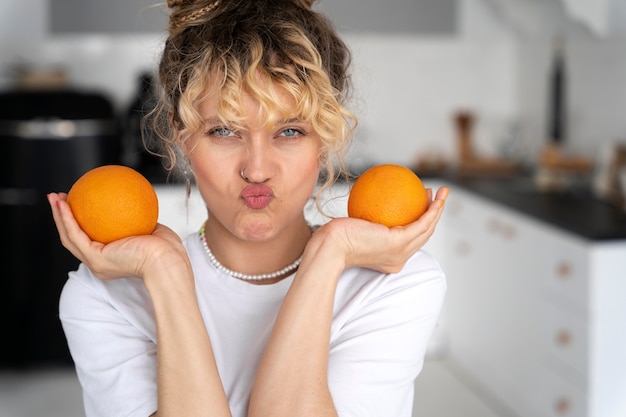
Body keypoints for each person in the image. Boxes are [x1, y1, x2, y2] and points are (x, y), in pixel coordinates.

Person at [47, 0, 449, 416]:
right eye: (224, 131)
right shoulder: (106, 297)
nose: (257, 170)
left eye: (290, 131)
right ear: (183, 137)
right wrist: (165, 274)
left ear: (325, 139)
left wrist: (329, 254)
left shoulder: (396, 285)